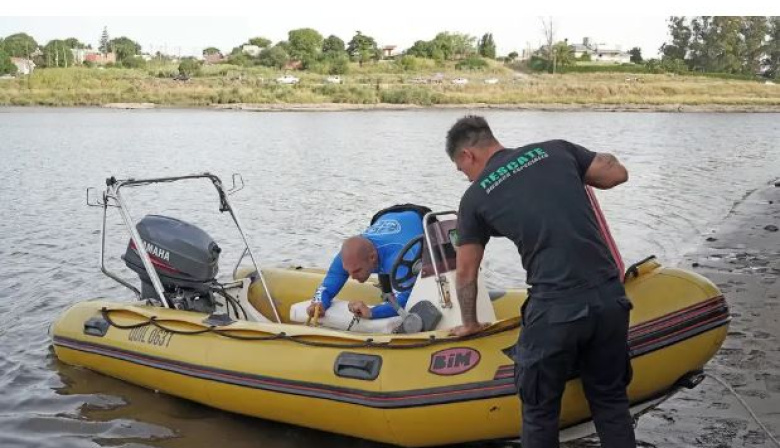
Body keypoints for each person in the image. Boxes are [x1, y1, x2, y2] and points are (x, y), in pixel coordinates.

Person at [445, 115, 635, 448]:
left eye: (463, 172)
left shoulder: (475, 197)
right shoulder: (557, 151)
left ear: (467, 156)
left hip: (555, 308)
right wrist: (591, 159)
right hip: (609, 297)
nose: (467, 178)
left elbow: (465, 273)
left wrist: (471, 323)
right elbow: (616, 174)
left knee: (539, 411)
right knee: (610, 401)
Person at [307, 205, 427, 320]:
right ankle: (386, 290)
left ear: (372, 258)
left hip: (419, 215)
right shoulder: (349, 257)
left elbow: (408, 298)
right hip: (384, 216)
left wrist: (372, 313)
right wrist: (319, 303)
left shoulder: (398, 259)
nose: (352, 277)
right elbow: (330, 281)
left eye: (357, 271)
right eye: (349, 272)